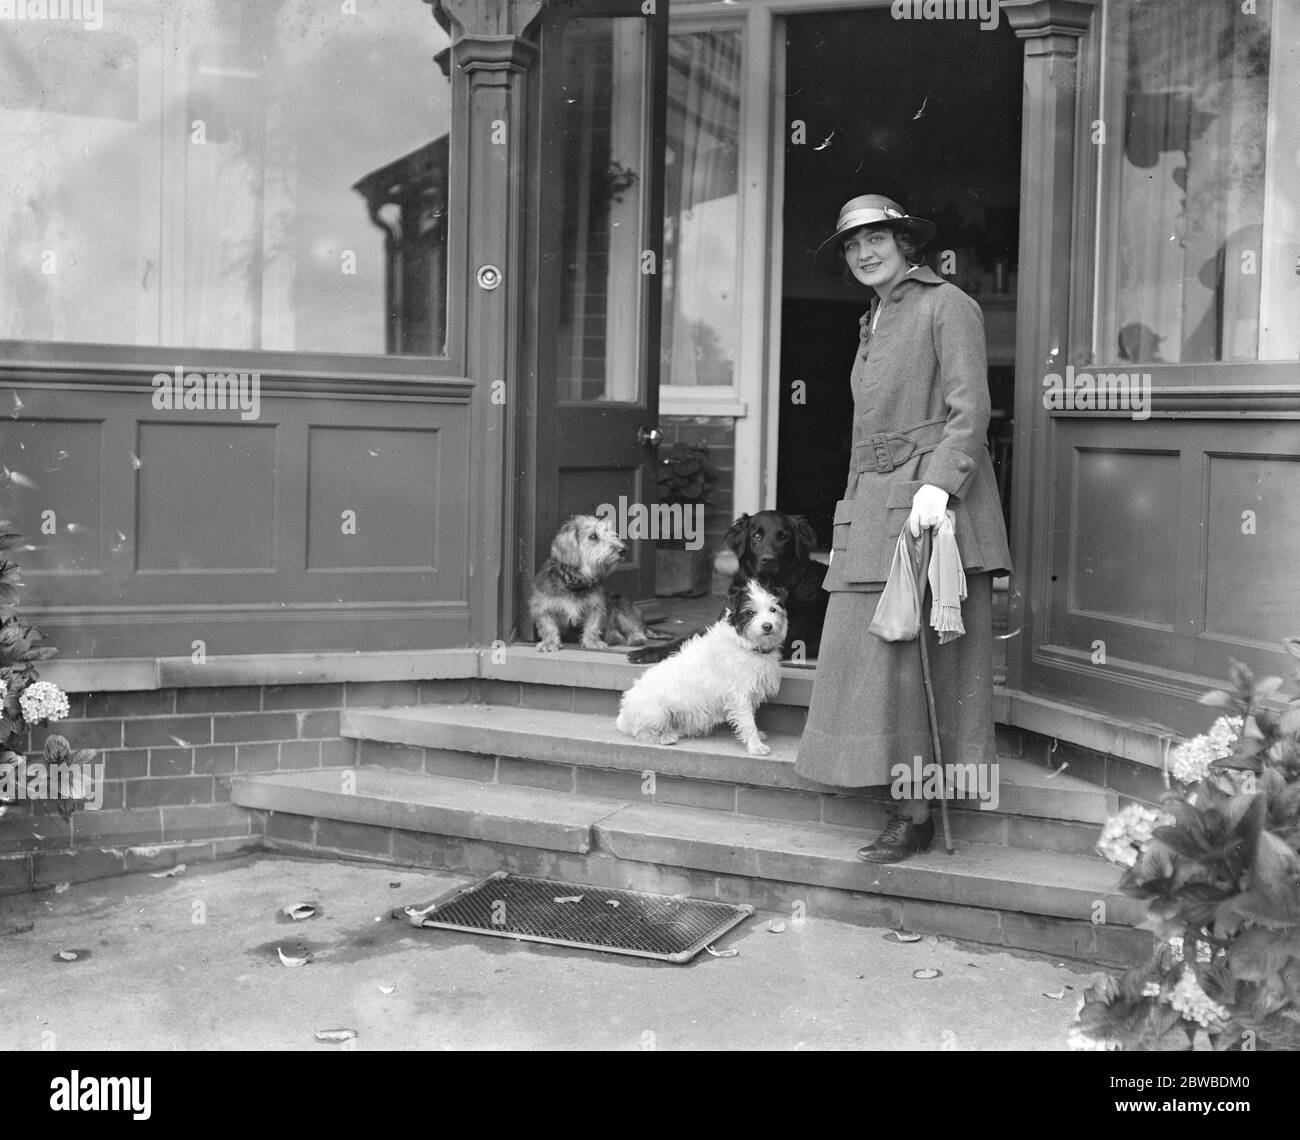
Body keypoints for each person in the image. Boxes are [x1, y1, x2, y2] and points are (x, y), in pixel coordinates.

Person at [794, 194, 1012, 862]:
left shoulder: (948, 305)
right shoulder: (875, 317)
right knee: (872, 661)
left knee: (925, 667)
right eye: (853, 245)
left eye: (877, 238)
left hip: (930, 506)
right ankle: (897, 799)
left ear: (905, 243)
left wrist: (939, 486)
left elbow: (970, 411)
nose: (865, 253)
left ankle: (913, 812)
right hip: (875, 502)